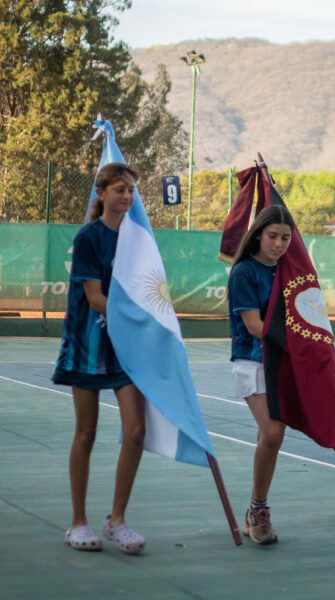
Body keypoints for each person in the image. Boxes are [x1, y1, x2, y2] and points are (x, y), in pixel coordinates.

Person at [52, 163, 146, 554]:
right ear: (102, 194)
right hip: (87, 346)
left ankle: (117, 520)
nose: (126, 196)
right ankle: (77, 523)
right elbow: (95, 299)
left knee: (136, 431)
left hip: (124, 349)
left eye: (131, 191)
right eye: (119, 189)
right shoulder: (89, 236)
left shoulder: (138, 240)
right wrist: (137, 316)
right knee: (86, 434)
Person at [227, 204, 295, 545]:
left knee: (266, 437)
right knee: (273, 433)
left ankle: (254, 513)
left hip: (281, 362)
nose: (278, 244)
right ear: (258, 234)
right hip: (251, 362)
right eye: (272, 236)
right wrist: (300, 342)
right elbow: (255, 326)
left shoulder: (290, 271)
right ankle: (259, 508)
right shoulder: (243, 272)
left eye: (285, 238)